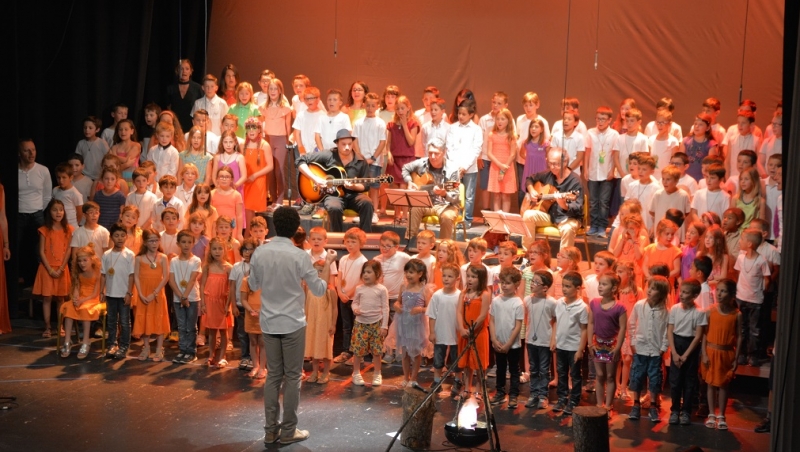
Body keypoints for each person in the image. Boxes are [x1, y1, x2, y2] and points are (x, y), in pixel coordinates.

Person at [248, 206, 336, 445]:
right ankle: (288, 431)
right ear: (297, 227)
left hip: (269, 321)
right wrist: (327, 264)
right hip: (293, 322)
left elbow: (253, 284)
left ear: (274, 225)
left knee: (274, 376)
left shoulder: (260, 252)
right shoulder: (300, 255)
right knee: (293, 377)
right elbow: (319, 290)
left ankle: (270, 430)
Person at [296, 129, 375, 233]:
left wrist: (354, 187)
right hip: (333, 196)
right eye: (343, 144)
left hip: (353, 195)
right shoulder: (328, 155)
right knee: (334, 207)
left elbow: (366, 185)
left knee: (367, 203)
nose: (347, 147)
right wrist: (315, 179)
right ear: (337, 144)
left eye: (350, 144)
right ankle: (337, 239)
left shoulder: (360, 160)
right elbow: (300, 160)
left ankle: (365, 238)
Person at [521, 147, 584, 250]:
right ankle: (528, 256)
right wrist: (532, 190)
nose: (553, 167)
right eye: (550, 163)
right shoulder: (548, 174)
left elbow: (577, 207)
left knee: (568, 229)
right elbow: (529, 179)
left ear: (565, 163)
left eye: (557, 164)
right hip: (550, 215)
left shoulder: (575, 181)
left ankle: (564, 263)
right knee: (528, 215)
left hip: (568, 218)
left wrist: (563, 204)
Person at [627, 276, 670, 423]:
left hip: (655, 351)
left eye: (654, 288)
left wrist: (663, 348)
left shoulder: (665, 311)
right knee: (637, 376)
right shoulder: (640, 305)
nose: (650, 291)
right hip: (640, 349)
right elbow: (631, 324)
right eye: (649, 287)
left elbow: (667, 331)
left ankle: (653, 405)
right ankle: (636, 404)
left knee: (655, 378)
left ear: (662, 293)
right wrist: (632, 343)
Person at [701, 279, 742, 431]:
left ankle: (721, 415)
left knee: (724, 384)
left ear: (732, 295)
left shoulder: (736, 315)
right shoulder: (710, 311)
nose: (719, 293)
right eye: (717, 290)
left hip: (726, 353)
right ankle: (712, 413)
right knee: (711, 384)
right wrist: (704, 353)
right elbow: (704, 334)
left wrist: (736, 358)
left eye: (723, 291)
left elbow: (739, 337)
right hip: (711, 351)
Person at [403, 138, 461, 241]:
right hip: (426, 202)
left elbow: (455, 196)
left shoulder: (452, 169)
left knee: (447, 217)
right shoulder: (422, 163)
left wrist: (444, 194)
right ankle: (410, 243)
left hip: (446, 205)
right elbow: (405, 168)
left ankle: (444, 247)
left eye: (436, 153)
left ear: (444, 152)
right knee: (414, 209)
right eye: (430, 153)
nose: (432, 157)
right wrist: (409, 181)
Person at [667, 279, 707, 425]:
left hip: (690, 347)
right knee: (675, 381)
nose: (681, 295)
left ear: (695, 295)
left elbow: (698, 336)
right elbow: (670, 330)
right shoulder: (675, 308)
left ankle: (686, 411)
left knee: (689, 381)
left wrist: (685, 355)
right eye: (681, 291)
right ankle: (675, 410)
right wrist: (674, 352)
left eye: (685, 292)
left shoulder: (699, 312)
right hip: (677, 345)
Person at [587, 271, 627, 414]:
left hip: (612, 346)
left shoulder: (620, 307)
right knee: (599, 375)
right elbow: (590, 323)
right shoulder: (594, 303)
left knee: (610, 376)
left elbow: (623, 328)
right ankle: (599, 404)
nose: (600, 287)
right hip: (597, 343)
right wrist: (590, 343)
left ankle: (608, 405)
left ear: (614, 288)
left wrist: (617, 347)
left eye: (604, 284)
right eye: (600, 284)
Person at [34, 200, 74, 338]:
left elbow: (69, 250)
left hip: (62, 269)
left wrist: (62, 268)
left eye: (61, 210)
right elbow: (41, 251)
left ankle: (60, 326)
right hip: (47, 268)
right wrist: (50, 269)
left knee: (60, 299)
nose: (58, 213)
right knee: (47, 298)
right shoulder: (44, 230)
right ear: (49, 212)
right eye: (55, 210)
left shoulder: (69, 229)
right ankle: (47, 327)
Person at [488, 267, 525, 408]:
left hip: (512, 345)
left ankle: (514, 394)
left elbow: (518, 325)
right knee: (500, 368)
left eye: (508, 283)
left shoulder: (518, 303)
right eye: (502, 282)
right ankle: (500, 392)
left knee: (514, 370)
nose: (504, 286)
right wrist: (493, 339)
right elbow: (491, 320)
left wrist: (509, 343)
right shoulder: (496, 300)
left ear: (516, 284)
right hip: (498, 342)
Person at [552, 272, 588, 415]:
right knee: (561, 373)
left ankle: (574, 399)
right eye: (563, 286)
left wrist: (580, 349)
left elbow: (584, 329)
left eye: (568, 286)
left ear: (577, 288)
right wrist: (553, 339)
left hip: (573, 346)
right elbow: (556, 321)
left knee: (575, 374)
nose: (564, 289)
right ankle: (562, 397)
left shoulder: (582, 307)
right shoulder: (560, 302)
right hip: (561, 345)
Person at [18, 139, 53, 286]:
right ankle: (18, 277)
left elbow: (47, 194)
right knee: (18, 246)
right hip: (19, 214)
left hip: (38, 214)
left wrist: (38, 208)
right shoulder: (14, 170)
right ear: (20, 153)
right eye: (27, 150)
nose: (32, 153)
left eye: (33, 149)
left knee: (40, 249)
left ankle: (40, 282)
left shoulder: (42, 170)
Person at [132, 229, 170, 362]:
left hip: (158, 294)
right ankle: (146, 347)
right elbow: (136, 276)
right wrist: (141, 294)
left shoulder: (163, 257)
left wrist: (154, 293)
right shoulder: (139, 258)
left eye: (156, 240)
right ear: (145, 242)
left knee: (158, 319)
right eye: (151, 240)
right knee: (144, 320)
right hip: (144, 293)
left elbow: (165, 277)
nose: (154, 243)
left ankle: (159, 349)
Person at [444, 99, 483, 228]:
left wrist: (465, 166)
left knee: (468, 195)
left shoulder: (476, 130)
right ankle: (455, 217)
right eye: (459, 113)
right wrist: (455, 166)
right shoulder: (452, 128)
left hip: (470, 168)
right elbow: (449, 147)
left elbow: (476, 149)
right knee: (454, 194)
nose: (460, 116)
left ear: (471, 115)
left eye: (464, 114)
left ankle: (467, 219)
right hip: (454, 167)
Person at [351, 260, 389, 386]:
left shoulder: (382, 289)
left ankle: (377, 373)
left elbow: (385, 308)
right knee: (358, 350)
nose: (365, 275)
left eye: (369, 272)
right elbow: (354, 302)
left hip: (376, 324)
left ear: (377, 274)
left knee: (377, 351)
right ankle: (356, 373)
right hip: (360, 324)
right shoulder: (359, 288)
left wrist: (384, 325)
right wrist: (355, 309)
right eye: (364, 272)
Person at [455, 265, 492, 398]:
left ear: (481, 278)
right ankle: (466, 388)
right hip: (464, 332)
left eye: (474, 277)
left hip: (478, 333)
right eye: (469, 276)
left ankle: (478, 389)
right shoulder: (463, 293)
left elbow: (483, 316)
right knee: (466, 362)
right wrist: (461, 328)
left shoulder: (485, 295)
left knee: (479, 362)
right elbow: (459, 312)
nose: (470, 279)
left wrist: (471, 329)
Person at [59, 246, 102, 359]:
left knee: (85, 309)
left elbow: (95, 294)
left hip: (92, 299)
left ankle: (86, 341)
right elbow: (77, 287)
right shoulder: (78, 273)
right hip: (81, 297)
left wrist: (83, 300)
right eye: (79, 261)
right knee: (69, 307)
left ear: (91, 259)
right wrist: (76, 298)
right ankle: (67, 341)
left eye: (85, 260)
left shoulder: (97, 273)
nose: (82, 264)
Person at [100, 223, 135, 359]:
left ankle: (124, 345)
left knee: (125, 321)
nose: (119, 238)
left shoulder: (129, 255)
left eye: (122, 235)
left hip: (123, 294)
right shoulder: (106, 255)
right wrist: (102, 291)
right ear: (111, 237)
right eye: (116, 236)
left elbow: (131, 275)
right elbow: (103, 274)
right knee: (111, 320)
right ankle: (112, 344)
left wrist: (129, 293)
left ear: (126, 237)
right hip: (110, 293)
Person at [169, 229, 203, 363]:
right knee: (181, 326)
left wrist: (185, 296)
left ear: (193, 243)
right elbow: (171, 281)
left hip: (192, 298)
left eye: (189, 242)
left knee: (191, 326)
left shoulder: (196, 260)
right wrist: (181, 297)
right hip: (178, 299)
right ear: (178, 243)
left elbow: (192, 279)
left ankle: (191, 351)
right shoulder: (174, 261)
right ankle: (182, 350)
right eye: (183, 242)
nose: (186, 245)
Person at [200, 237, 234, 368]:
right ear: (210, 251)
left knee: (224, 331)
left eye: (220, 248)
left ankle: (222, 356)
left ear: (225, 250)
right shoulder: (207, 267)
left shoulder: (229, 268)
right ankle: (211, 355)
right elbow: (202, 285)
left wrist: (228, 305)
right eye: (214, 249)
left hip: (223, 303)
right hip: (210, 302)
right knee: (212, 331)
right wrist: (203, 303)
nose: (217, 251)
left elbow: (231, 289)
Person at [426, 262, 461, 390]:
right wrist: (432, 332)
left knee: (456, 359)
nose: (446, 279)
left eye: (450, 276)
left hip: (455, 334)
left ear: (457, 278)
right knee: (438, 358)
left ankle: (458, 380)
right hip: (440, 332)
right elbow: (432, 315)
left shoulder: (460, 296)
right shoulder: (437, 295)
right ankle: (436, 380)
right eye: (444, 276)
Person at [241, 118, 273, 231]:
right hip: (245, 180)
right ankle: (248, 234)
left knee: (252, 207)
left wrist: (254, 176)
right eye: (249, 127)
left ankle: (251, 235)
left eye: (254, 127)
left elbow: (270, 166)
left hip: (257, 179)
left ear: (259, 129)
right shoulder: (243, 144)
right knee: (245, 208)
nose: (251, 130)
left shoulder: (264, 145)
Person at [486, 108, 518, 213]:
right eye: (498, 119)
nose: (499, 122)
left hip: (507, 168)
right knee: (496, 195)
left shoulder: (511, 136)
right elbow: (489, 153)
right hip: (496, 167)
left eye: (502, 119)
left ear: (508, 120)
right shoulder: (492, 134)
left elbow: (512, 154)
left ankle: (505, 220)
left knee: (505, 195)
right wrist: (500, 166)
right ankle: (497, 221)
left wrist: (503, 170)